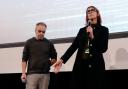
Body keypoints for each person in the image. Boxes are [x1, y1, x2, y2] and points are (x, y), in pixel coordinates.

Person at [53, 6, 109, 89]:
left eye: (92, 10)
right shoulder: (82, 30)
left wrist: (92, 36)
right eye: (88, 11)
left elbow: (103, 48)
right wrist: (62, 60)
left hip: (95, 66)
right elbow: (73, 46)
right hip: (81, 66)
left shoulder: (104, 30)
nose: (90, 12)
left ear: (97, 14)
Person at [21, 22, 57, 89]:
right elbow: (24, 59)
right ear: (35, 31)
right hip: (31, 74)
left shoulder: (49, 43)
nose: (41, 33)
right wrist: (23, 73)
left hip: (45, 74)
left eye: (43, 32)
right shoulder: (29, 42)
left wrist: (48, 64)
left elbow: (54, 58)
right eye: (39, 31)